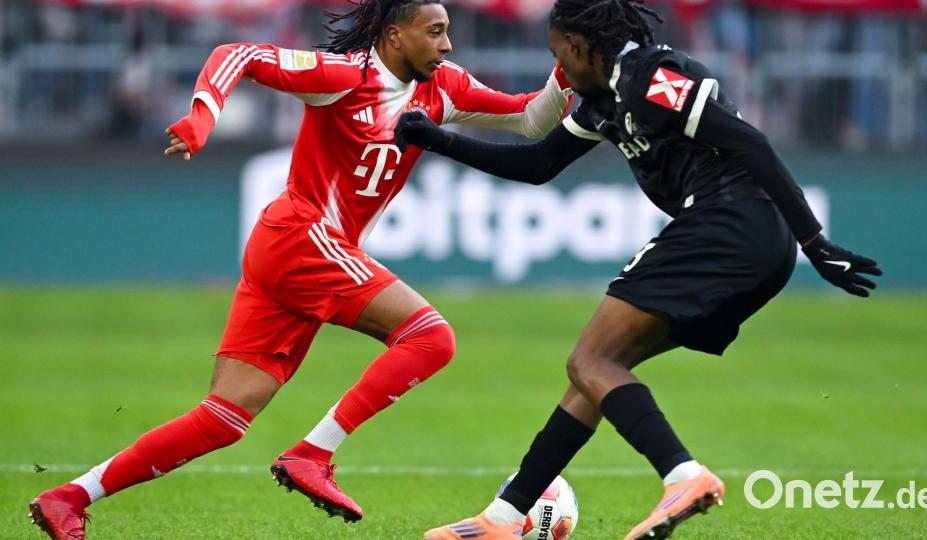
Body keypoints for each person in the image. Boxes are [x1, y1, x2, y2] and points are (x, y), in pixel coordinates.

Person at [27, 1, 574, 538]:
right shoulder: (344, 77)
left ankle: (67, 498)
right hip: (302, 238)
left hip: (295, 252)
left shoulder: (443, 87)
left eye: (448, 31)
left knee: (223, 418)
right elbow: (235, 52)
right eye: (434, 31)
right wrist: (202, 115)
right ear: (393, 36)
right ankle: (312, 454)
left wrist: (569, 59)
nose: (447, 44)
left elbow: (530, 117)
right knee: (431, 339)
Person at [393, 1, 882, 538]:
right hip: (744, 240)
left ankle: (683, 476)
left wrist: (815, 242)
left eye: (560, 55)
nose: (560, 71)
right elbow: (536, 166)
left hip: (730, 223)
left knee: (591, 359)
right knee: (598, 373)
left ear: (579, 46)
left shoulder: (651, 75)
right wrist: (440, 141)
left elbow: (751, 142)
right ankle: (503, 519)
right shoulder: (601, 102)